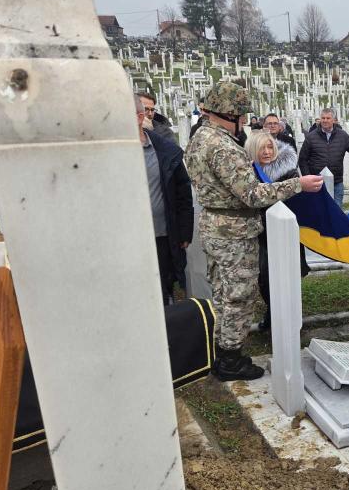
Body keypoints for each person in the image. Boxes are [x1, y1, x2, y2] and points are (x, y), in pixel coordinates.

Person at [185, 82, 324, 381]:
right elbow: (252, 195)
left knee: (222, 294)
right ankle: (231, 360)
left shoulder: (199, 138)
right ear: (229, 113)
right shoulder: (221, 146)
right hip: (234, 232)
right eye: (242, 115)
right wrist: (298, 184)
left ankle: (223, 351)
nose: (246, 121)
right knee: (238, 296)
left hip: (215, 226)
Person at [245, 131, 311, 332]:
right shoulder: (247, 173)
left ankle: (289, 323)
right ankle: (273, 314)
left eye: (270, 147)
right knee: (264, 279)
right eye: (261, 148)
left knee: (287, 280)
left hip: (285, 232)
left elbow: (298, 202)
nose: (266, 152)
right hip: (260, 233)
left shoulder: (289, 172)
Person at [135, 95, 194, 305]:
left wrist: (185, 231)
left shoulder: (165, 151)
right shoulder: (109, 154)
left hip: (162, 233)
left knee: (162, 286)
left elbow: (183, 192)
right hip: (131, 238)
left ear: (139, 117)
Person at [298, 108, 349, 207]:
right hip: (317, 184)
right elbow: (302, 159)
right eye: (323, 118)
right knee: (318, 213)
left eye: (328, 118)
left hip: (336, 183)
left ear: (334, 120)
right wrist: (308, 177)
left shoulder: (342, 136)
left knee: (337, 213)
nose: (325, 120)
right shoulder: (311, 137)